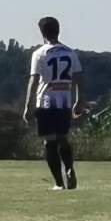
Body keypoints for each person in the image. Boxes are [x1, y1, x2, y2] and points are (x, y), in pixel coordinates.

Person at [22, 16, 84, 190]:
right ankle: (69, 168)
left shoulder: (39, 54)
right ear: (58, 31)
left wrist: (28, 105)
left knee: (49, 142)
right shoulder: (70, 52)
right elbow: (79, 77)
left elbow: (34, 81)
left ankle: (58, 183)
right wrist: (79, 99)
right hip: (64, 101)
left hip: (46, 101)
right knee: (63, 138)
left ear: (42, 33)